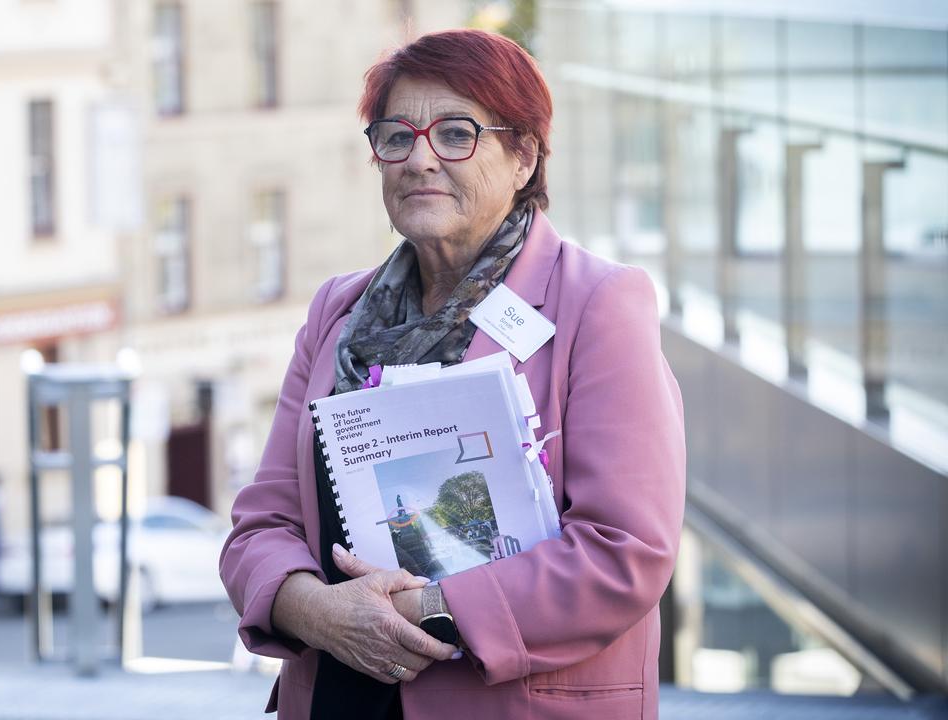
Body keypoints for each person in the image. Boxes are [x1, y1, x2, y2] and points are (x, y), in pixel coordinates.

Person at [219, 28, 685, 720]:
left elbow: (625, 553)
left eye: (456, 134)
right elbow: (261, 523)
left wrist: (429, 608)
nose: (420, 159)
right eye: (397, 137)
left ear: (523, 155)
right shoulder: (337, 313)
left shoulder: (598, 304)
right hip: (343, 696)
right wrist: (314, 611)